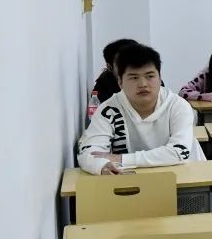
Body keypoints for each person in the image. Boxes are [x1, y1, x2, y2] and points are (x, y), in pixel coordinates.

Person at [78, 43, 204, 175]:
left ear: (160, 78)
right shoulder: (108, 110)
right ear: (120, 82)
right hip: (130, 181)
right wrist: (101, 166)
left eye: (150, 76)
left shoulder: (178, 106)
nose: (143, 84)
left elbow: (179, 152)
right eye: (134, 77)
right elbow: (88, 152)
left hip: (185, 178)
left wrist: (122, 159)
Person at [91, 38, 138, 103]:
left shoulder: (149, 79)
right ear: (110, 67)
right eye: (123, 64)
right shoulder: (103, 88)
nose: (131, 68)